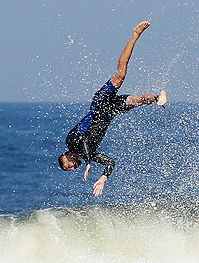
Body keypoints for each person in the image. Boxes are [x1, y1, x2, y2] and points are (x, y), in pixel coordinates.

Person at [58, 21, 167, 197]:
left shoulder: (71, 142)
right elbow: (110, 163)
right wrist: (103, 178)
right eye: (71, 169)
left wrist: (87, 161)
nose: (72, 167)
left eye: (68, 165)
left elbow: (84, 142)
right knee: (137, 101)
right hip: (110, 113)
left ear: (66, 156)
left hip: (99, 104)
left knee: (121, 74)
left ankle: (135, 34)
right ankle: (157, 97)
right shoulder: (89, 156)